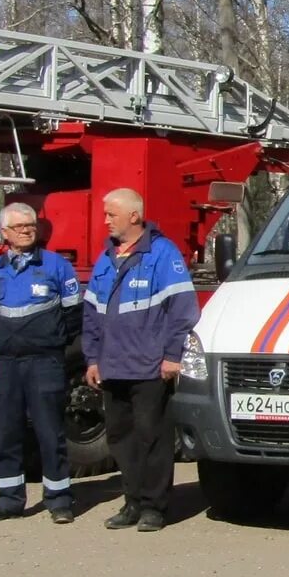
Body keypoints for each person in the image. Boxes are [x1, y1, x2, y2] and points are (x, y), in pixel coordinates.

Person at [83, 187, 200, 532]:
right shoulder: (106, 258)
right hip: (112, 365)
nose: (105, 220)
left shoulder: (162, 254)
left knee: (153, 437)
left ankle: (154, 507)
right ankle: (132, 502)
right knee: (121, 438)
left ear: (134, 216)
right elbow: (91, 314)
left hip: (149, 366)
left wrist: (171, 356)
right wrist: (92, 359)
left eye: (111, 214)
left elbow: (183, 310)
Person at [0, 202, 83, 524]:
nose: (26, 230)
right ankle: (8, 500)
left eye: (30, 225)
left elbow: (73, 314)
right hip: (6, 364)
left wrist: (48, 342)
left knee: (50, 432)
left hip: (44, 362)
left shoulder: (56, 266)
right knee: (7, 433)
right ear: (5, 233)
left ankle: (59, 499)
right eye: (19, 226)